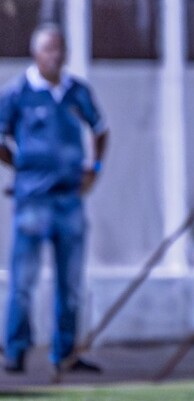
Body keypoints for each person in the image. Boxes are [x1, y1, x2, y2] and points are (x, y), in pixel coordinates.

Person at [0, 25, 108, 375]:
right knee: (23, 281)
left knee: (71, 283)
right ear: (36, 53)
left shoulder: (76, 92)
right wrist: (21, 166)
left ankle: (65, 351)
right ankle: (16, 349)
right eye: (49, 50)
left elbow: (100, 128)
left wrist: (94, 167)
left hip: (69, 199)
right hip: (33, 200)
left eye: (60, 50)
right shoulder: (18, 92)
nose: (56, 56)